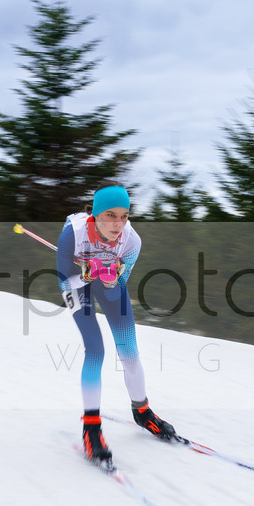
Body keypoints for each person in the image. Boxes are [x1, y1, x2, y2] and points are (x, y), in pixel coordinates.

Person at [56, 182, 177, 463]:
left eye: (124, 215)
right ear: (96, 214)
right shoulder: (71, 235)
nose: (118, 223)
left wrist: (111, 280)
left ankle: (142, 411)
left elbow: (118, 284)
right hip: (76, 283)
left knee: (129, 351)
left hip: (104, 278)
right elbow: (65, 280)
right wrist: (86, 275)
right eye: (110, 215)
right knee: (96, 350)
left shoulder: (132, 241)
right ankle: (91, 427)